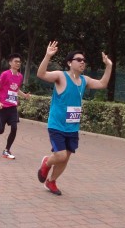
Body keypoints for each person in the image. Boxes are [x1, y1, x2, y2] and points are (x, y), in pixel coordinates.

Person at [36, 41, 113, 195]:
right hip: (57, 124)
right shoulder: (61, 76)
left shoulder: (84, 80)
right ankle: (46, 163)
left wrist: (109, 66)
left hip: (72, 127)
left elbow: (102, 84)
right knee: (60, 155)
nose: (82, 62)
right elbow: (41, 74)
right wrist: (48, 56)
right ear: (70, 63)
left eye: (84, 60)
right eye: (78, 60)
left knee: (65, 158)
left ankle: (51, 181)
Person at [0, 53, 31, 159]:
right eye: (16, 61)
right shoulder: (5, 74)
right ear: (10, 63)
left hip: (12, 107)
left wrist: (24, 95)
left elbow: (16, 89)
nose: (18, 63)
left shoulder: (20, 76)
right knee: (0, 130)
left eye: (19, 62)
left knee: (14, 128)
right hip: (2, 107)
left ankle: (7, 150)